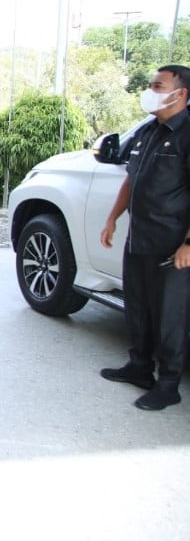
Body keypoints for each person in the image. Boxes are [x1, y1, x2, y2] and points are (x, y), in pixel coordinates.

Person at [99, 65, 190, 411]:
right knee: (138, 307)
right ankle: (139, 367)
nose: (149, 90)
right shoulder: (148, 132)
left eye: (158, 85)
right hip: (140, 238)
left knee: (170, 318)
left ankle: (168, 385)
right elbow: (130, 179)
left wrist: (189, 244)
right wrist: (112, 218)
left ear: (180, 94)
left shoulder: (186, 134)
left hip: (172, 245)